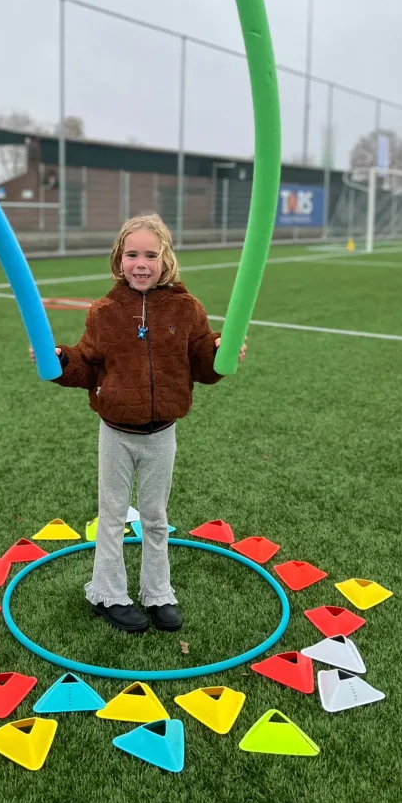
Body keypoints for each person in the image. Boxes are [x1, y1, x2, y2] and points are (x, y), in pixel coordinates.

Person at [30, 213, 246, 634]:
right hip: (116, 432)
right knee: (111, 516)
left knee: (155, 517)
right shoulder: (104, 312)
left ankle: (158, 593)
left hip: (162, 434)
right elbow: (87, 365)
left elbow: (203, 365)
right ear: (119, 259)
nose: (141, 264)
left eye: (150, 254)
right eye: (132, 254)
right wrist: (60, 361)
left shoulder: (187, 309)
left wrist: (222, 352)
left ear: (166, 258)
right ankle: (107, 594)